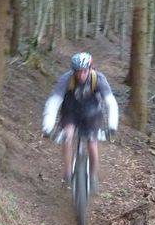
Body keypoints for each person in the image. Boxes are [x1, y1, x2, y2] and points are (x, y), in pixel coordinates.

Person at [41, 52, 119, 192]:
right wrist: (48, 125)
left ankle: (93, 175)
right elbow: (54, 102)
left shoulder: (99, 79)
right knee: (67, 137)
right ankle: (67, 173)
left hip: (92, 113)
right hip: (70, 112)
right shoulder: (66, 79)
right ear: (73, 71)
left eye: (84, 71)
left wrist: (112, 126)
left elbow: (110, 103)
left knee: (92, 143)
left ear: (90, 69)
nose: (80, 75)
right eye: (77, 72)